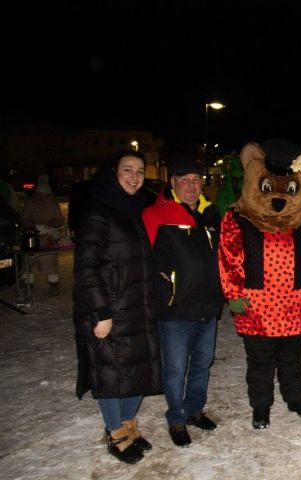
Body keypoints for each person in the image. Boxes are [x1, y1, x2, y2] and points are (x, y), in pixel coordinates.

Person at [219, 139, 301, 430]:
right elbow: (228, 257)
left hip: (293, 303)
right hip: (257, 306)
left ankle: (295, 398)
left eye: (289, 189)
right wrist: (234, 292)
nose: (278, 197)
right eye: (267, 187)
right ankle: (261, 406)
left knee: (292, 358)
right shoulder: (239, 218)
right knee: (260, 361)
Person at [73, 150, 162, 464]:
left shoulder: (140, 209)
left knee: (138, 369)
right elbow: (86, 268)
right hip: (111, 309)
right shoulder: (98, 211)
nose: (134, 176)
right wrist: (101, 312)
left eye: (139, 171)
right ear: (113, 172)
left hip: (140, 306)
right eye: (127, 169)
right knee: (111, 373)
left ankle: (127, 425)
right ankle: (115, 433)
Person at [142, 158, 224, 447]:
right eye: (186, 179)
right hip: (175, 309)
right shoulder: (156, 214)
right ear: (172, 182)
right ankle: (175, 418)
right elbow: (145, 259)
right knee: (176, 368)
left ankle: (194, 410)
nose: (193, 185)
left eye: (197, 180)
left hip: (207, 306)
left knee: (203, 363)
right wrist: (162, 287)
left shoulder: (210, 214)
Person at [20, 174, 65, 296]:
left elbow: (60, 220)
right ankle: (27, 285)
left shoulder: (53, 204)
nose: (42, 197)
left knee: (49, 263)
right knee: (29, 263)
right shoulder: (30, 203)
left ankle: (53, 285)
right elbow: (24, 218)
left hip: (48, 237)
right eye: (40, 195)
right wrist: (31, 224)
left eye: (45, 195)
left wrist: (53, 224)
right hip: (32, 237)